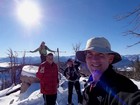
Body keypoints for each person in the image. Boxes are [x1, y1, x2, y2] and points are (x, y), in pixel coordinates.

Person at [76, 37, 139, 105]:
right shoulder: (89, 83)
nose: (94, 60)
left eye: (101, 54)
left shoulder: (123, 85)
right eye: (90, 54)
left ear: (110, 59)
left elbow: (130, 98)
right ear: (86, 59)